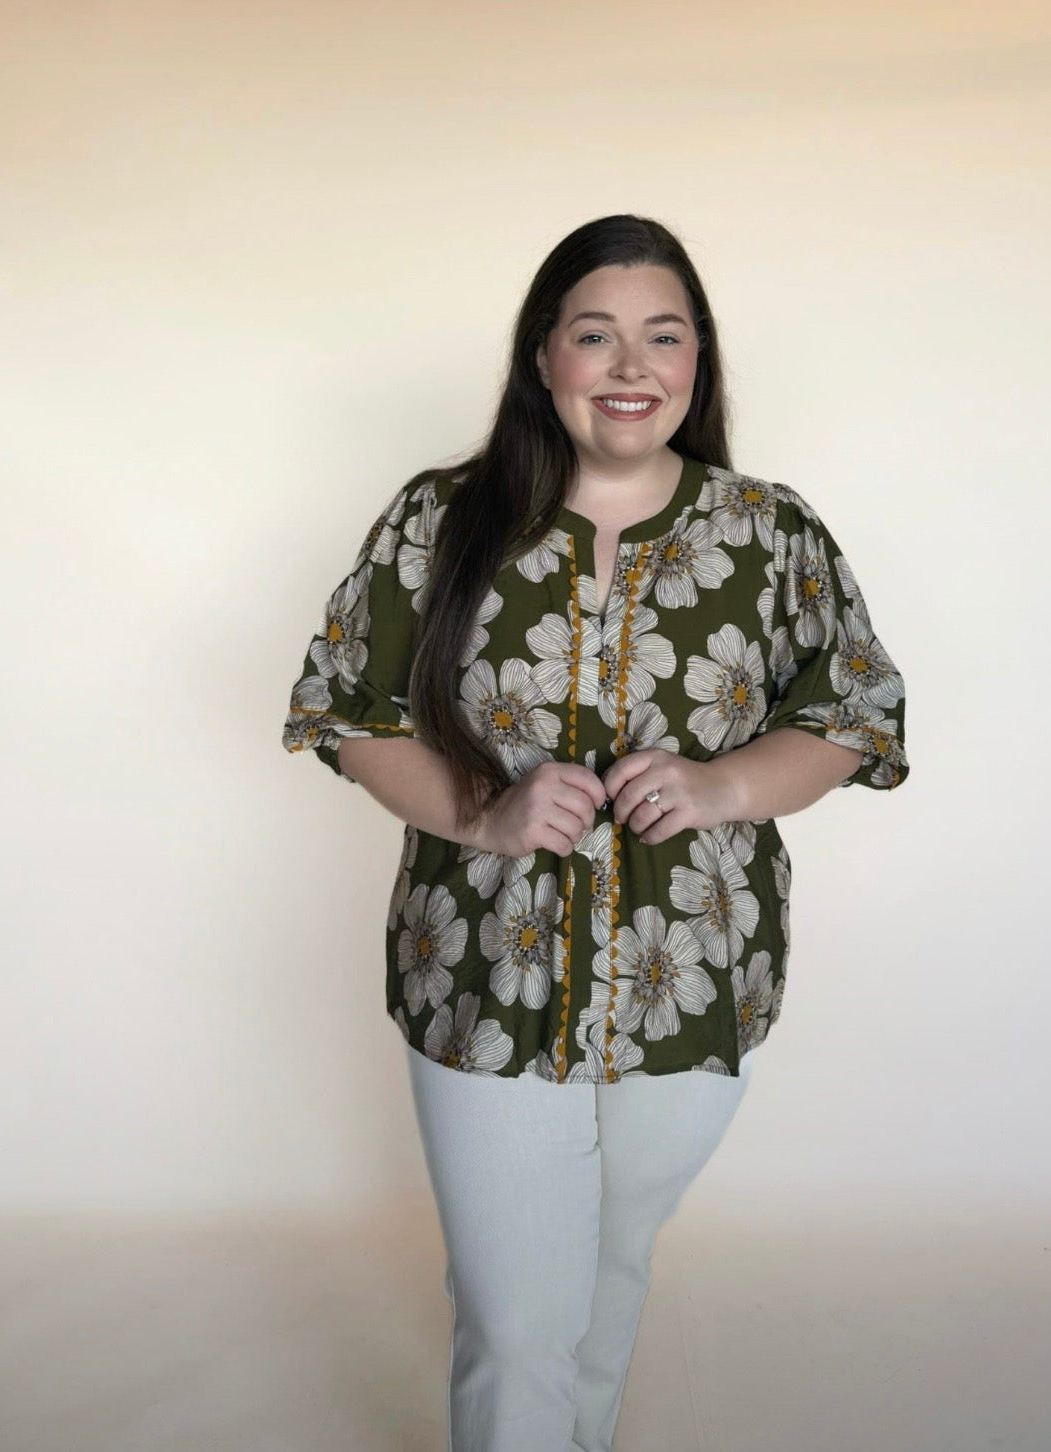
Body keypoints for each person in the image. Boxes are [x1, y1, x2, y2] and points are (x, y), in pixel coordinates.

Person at [281, 214, 910, 1452]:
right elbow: (346, 715)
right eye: (595, 335)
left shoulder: (769, 534)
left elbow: (854, 712)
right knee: (519, 1323)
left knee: (611, 1279)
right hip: (485, 977)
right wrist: (486, 810)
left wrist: (728, 789)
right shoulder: (440, 519)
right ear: (543, 361)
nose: (632, 365)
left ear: (698, 363)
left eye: (662, 336)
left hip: (695, 991)